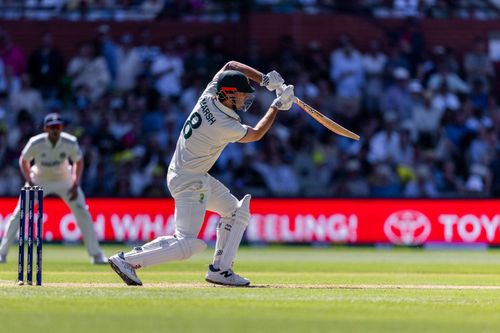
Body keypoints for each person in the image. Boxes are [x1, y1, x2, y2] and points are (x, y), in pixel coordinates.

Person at [108, 60, 293, 286]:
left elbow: (230, 65)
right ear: (229, 94)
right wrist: (276, 106)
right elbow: (255, 134)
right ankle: (126, 260)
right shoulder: (223, 123)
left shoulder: (210, 94)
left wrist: (264, 79)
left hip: (192, 174)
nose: (246, 99)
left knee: (236, 212)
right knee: (187, 244)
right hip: (189, 181)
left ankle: (220, 270)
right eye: (242, 95)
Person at [0, 113, 107, 264]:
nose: (55, 130)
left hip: (64, 179)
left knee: (83, 211)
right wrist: (30, 181)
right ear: (45, 129)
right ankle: (2, 253)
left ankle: (96, 255)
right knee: (20, 213)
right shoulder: (35, 143)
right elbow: (24, 161)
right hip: (39, 179)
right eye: (51, 127)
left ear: (62, 128)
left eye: (58, 127)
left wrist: (76, 184)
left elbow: (79, 161)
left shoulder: (70, 142)